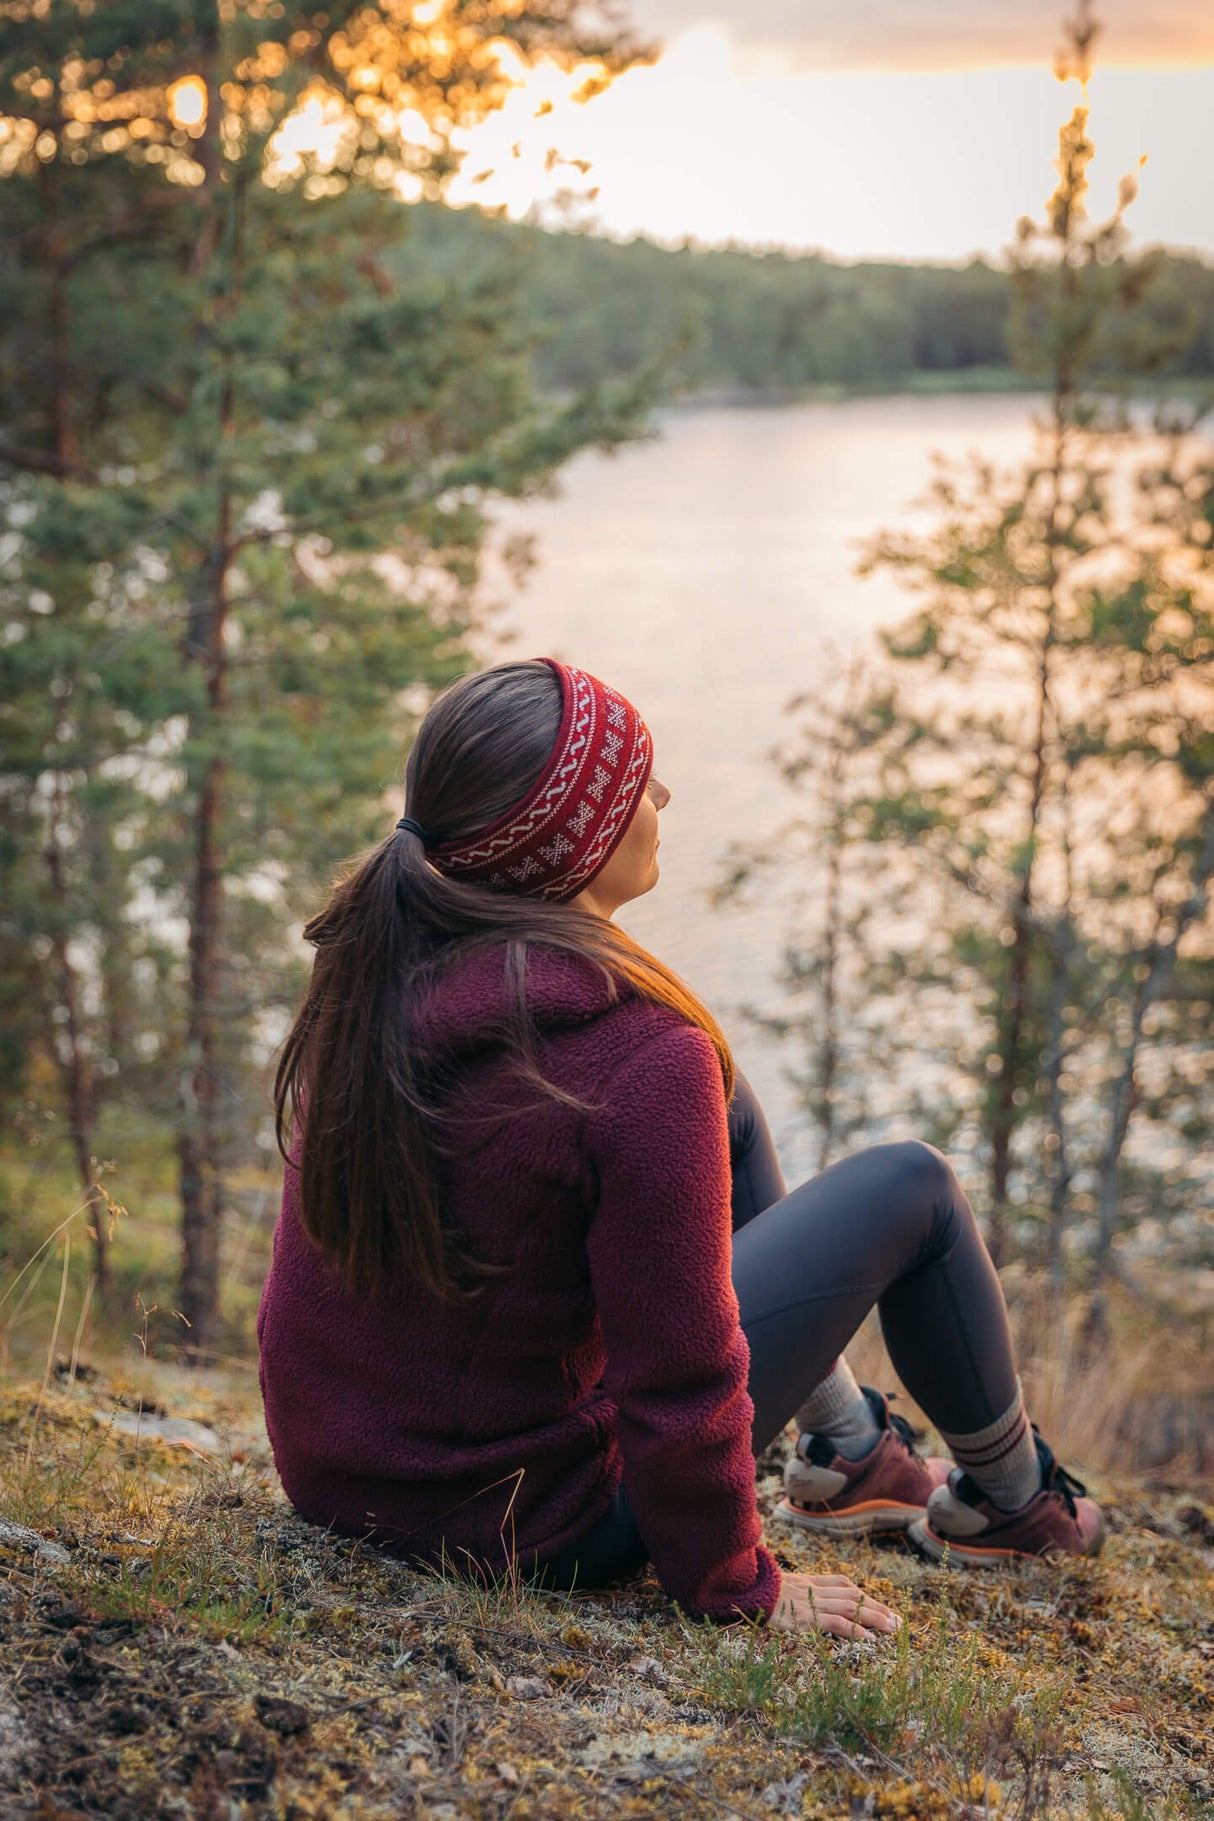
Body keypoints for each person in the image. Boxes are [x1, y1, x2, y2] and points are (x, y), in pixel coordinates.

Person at [257, 658, 1102, 1641]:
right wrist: (735, 1582)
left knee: (722, 1097)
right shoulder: (631, 1062)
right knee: (909, 1185)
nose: (662, 796)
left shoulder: (381, 976)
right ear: (577, 842)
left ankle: (846, 1451)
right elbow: (679, 1374)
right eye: (637, 783)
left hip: (348, 1479)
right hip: (533, 1527)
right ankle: (1012, 1503)